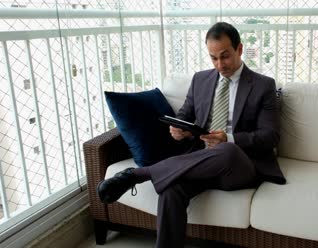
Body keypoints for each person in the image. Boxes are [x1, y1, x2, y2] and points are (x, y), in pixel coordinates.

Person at [97, 22, 286, 248]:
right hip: (201, 161)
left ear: (240, 49)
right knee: (171, 190)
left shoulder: (263, 85)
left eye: (225, 56)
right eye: (213, 58)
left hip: (240, 164)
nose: (219, 64)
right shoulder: (200, 80)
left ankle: (137, 174)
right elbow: (185, 114)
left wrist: (229, 138)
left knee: (226, 150)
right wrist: (179, 130)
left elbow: (270, 136)